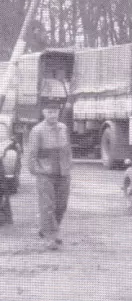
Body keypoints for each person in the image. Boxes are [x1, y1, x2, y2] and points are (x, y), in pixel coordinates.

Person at [25, 86, 72, 250]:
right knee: (47, 206)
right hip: (45, 173)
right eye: (49, 112)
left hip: (63, 172)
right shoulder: (37, 131)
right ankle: (51, 237)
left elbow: (67, 149)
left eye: (55, 112)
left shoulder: (63, 128)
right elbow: (31, 153)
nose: (53, 115)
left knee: (61, 206)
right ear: (43, 112)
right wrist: (35, 171)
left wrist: (68, 167)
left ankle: (50, 229)